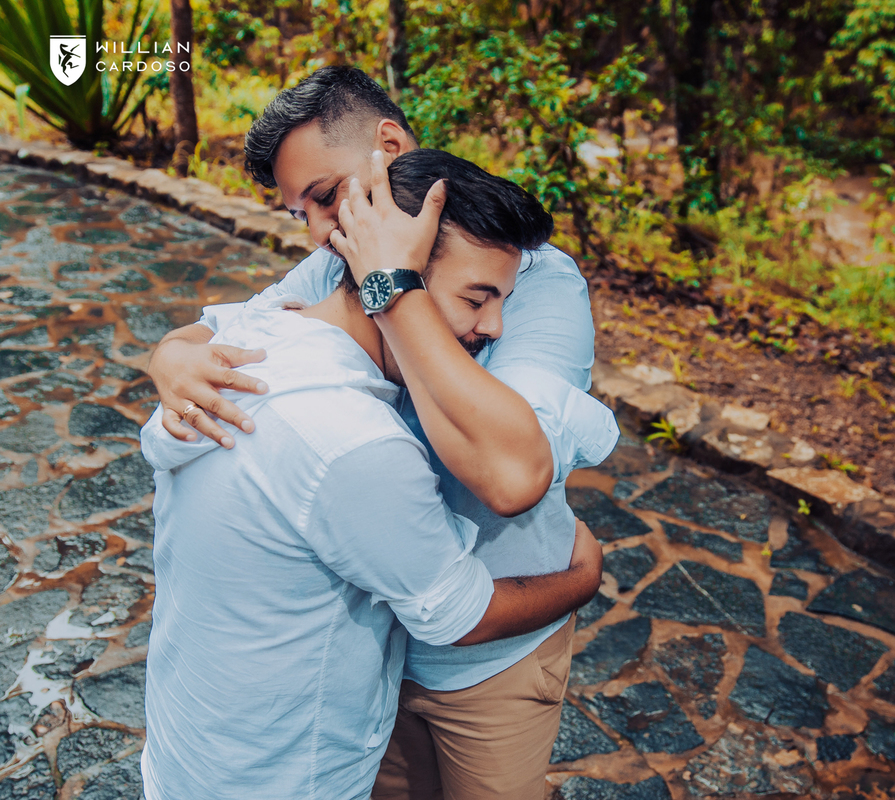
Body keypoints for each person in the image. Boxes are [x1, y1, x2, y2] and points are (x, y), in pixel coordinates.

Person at [145, 67, 616, 798]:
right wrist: (169, 357)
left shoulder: (528, 278)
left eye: (326, 195)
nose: (322, 229)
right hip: (378, 648)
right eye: (303, 211)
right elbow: (221, 327)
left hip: (488, 663)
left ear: (388, 146)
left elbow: (509, 477)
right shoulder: (347, 255)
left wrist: (392, 287)